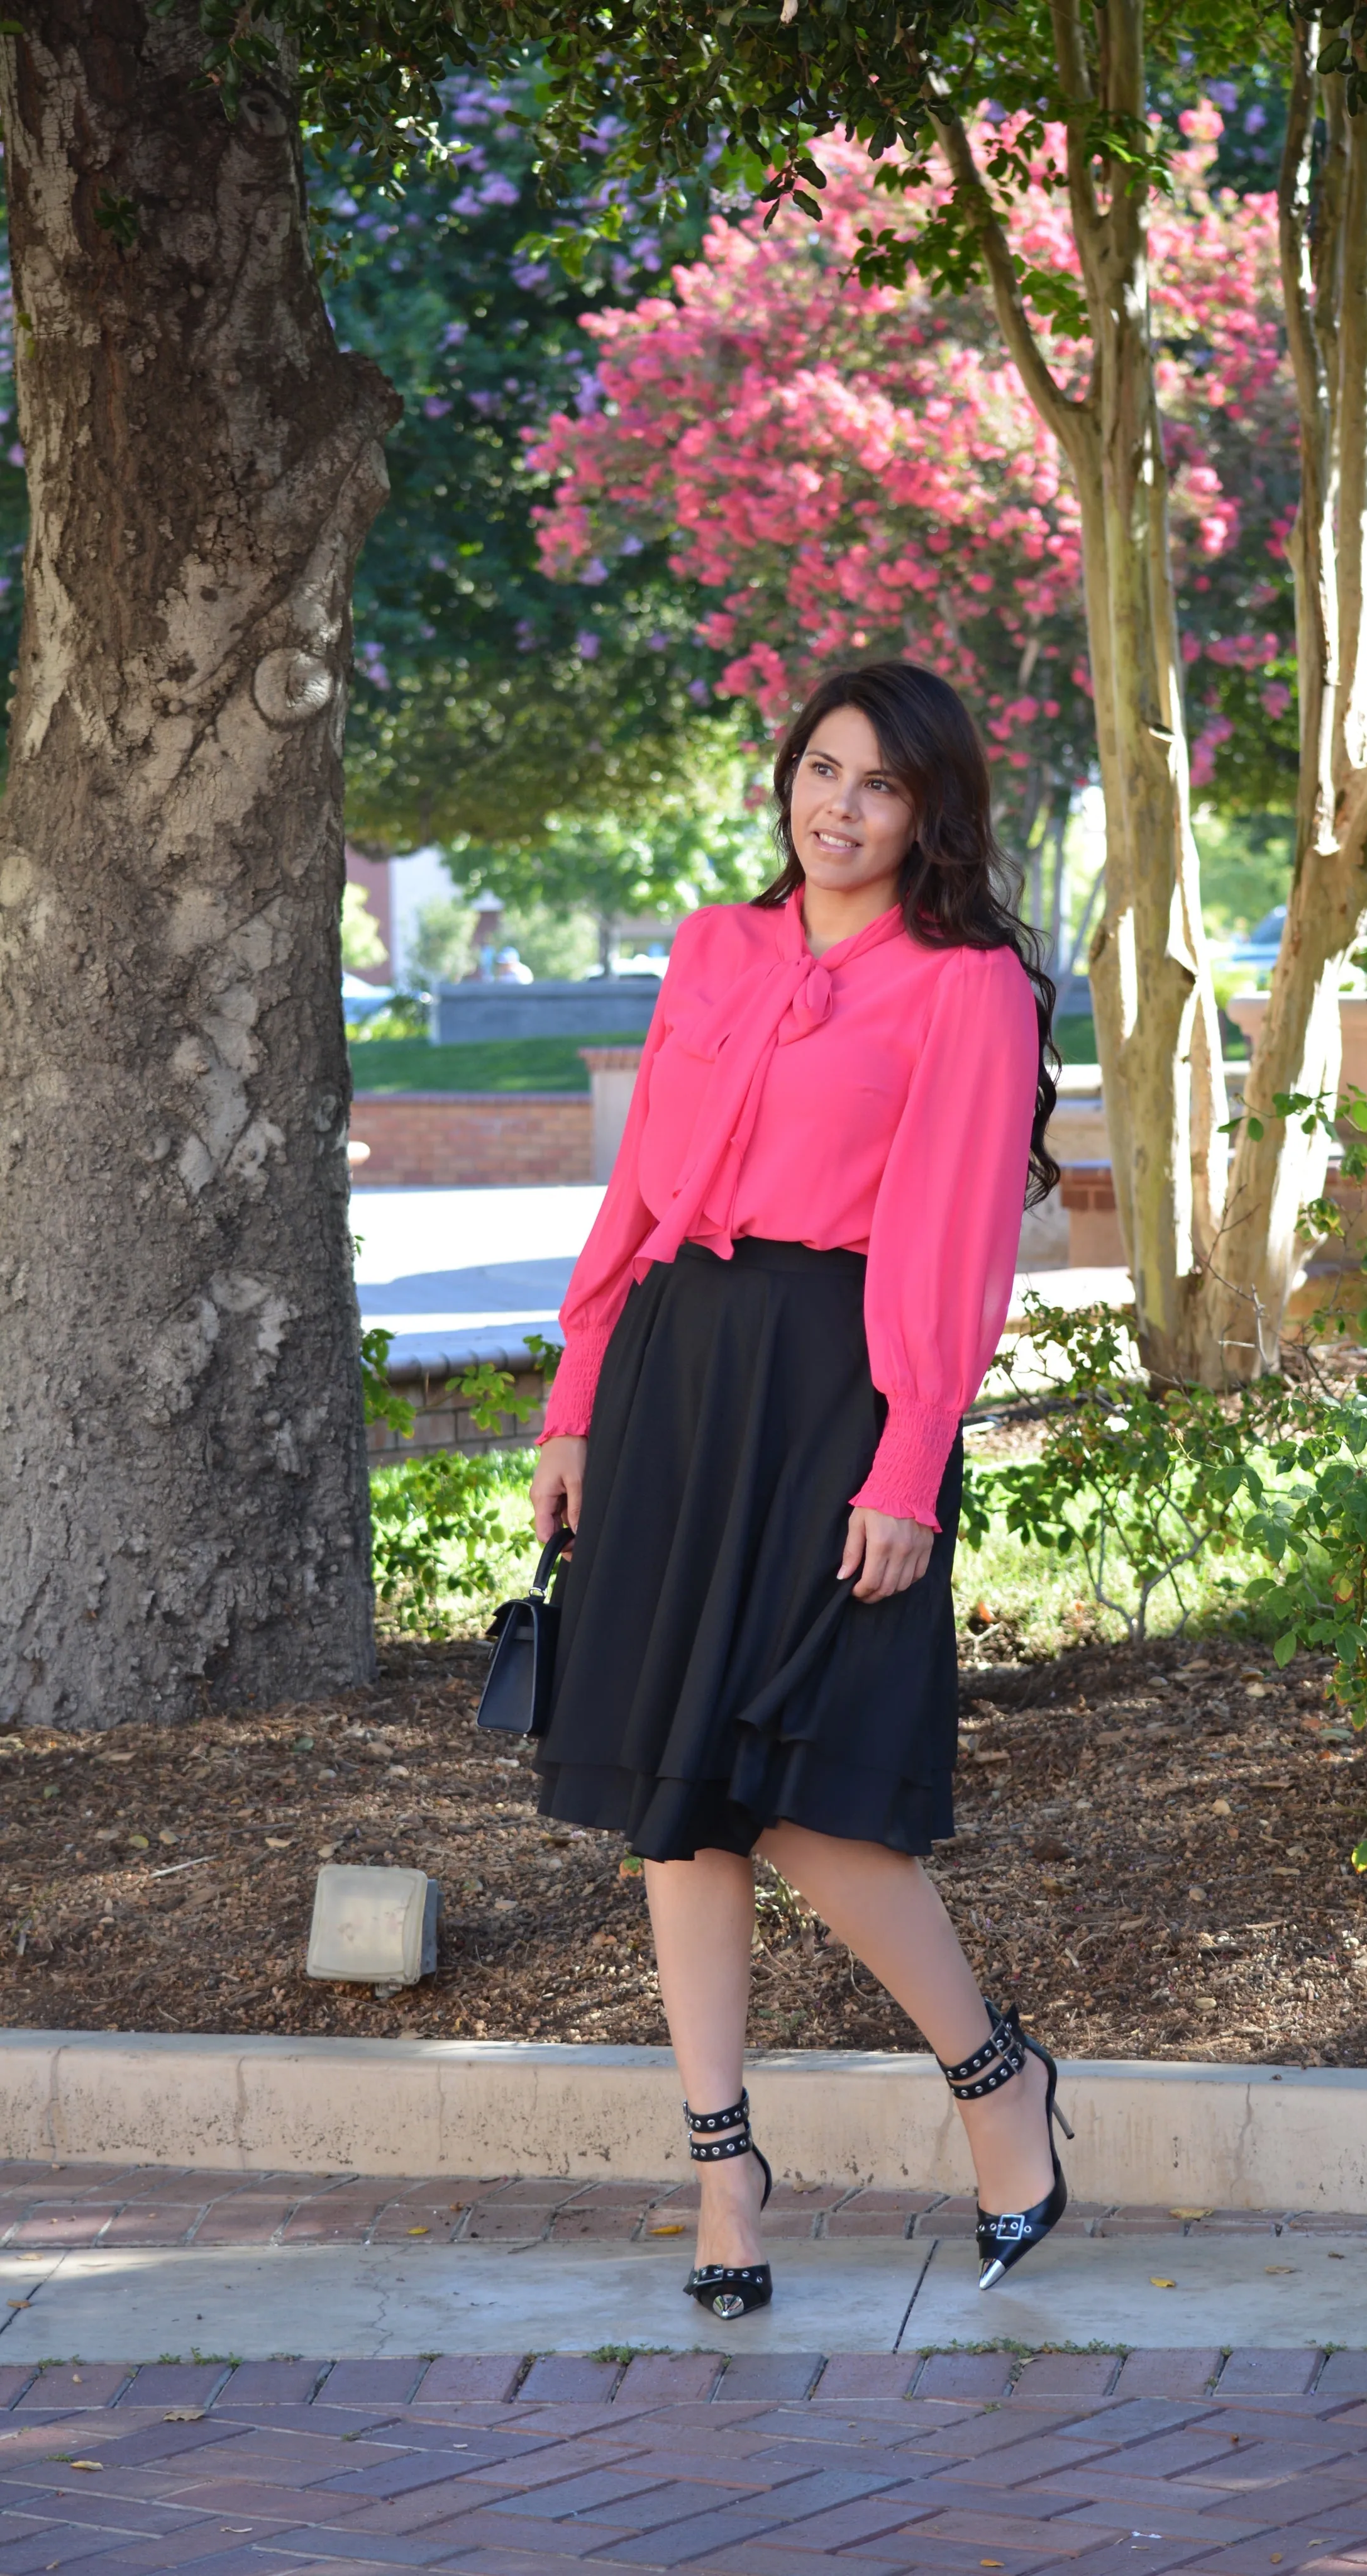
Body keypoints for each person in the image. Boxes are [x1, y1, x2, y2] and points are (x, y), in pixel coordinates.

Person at [528, 660, 1071, 2322]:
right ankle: (721, 2177)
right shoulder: (715, 946)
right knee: (670, 1799)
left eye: (878, 786)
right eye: (818, 771)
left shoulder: (968, 987)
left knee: (803, 1792)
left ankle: (999, 2090)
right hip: (673, 1371)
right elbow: (640, 1187)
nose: (836, 809)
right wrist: (573, 1399)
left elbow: (959, 1240)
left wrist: (908, 1462)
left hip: (837, 1384)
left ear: (930, 814)